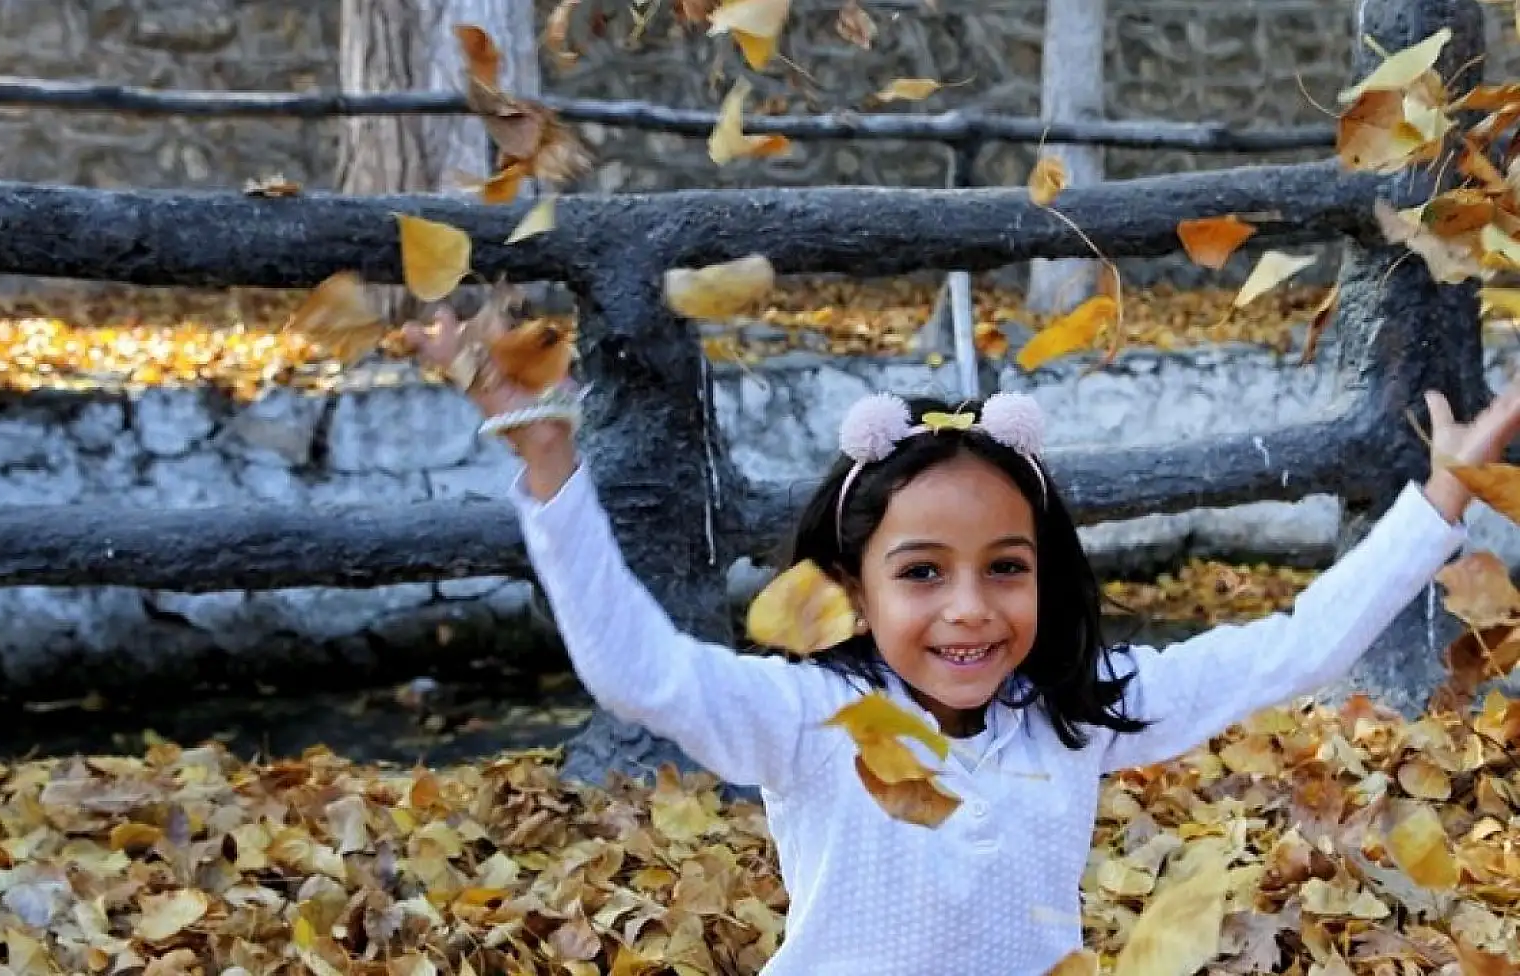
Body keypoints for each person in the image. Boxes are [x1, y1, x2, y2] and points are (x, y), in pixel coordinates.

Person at [406, 305, 1520, 974]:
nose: (969, 610)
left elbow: (1290, 647)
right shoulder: (806, 718)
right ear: (847, 586)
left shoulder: (1076, 711)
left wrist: (1436, 502)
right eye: (920, 573)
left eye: (1005, 566)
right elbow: (634, 669)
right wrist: (547, 467)